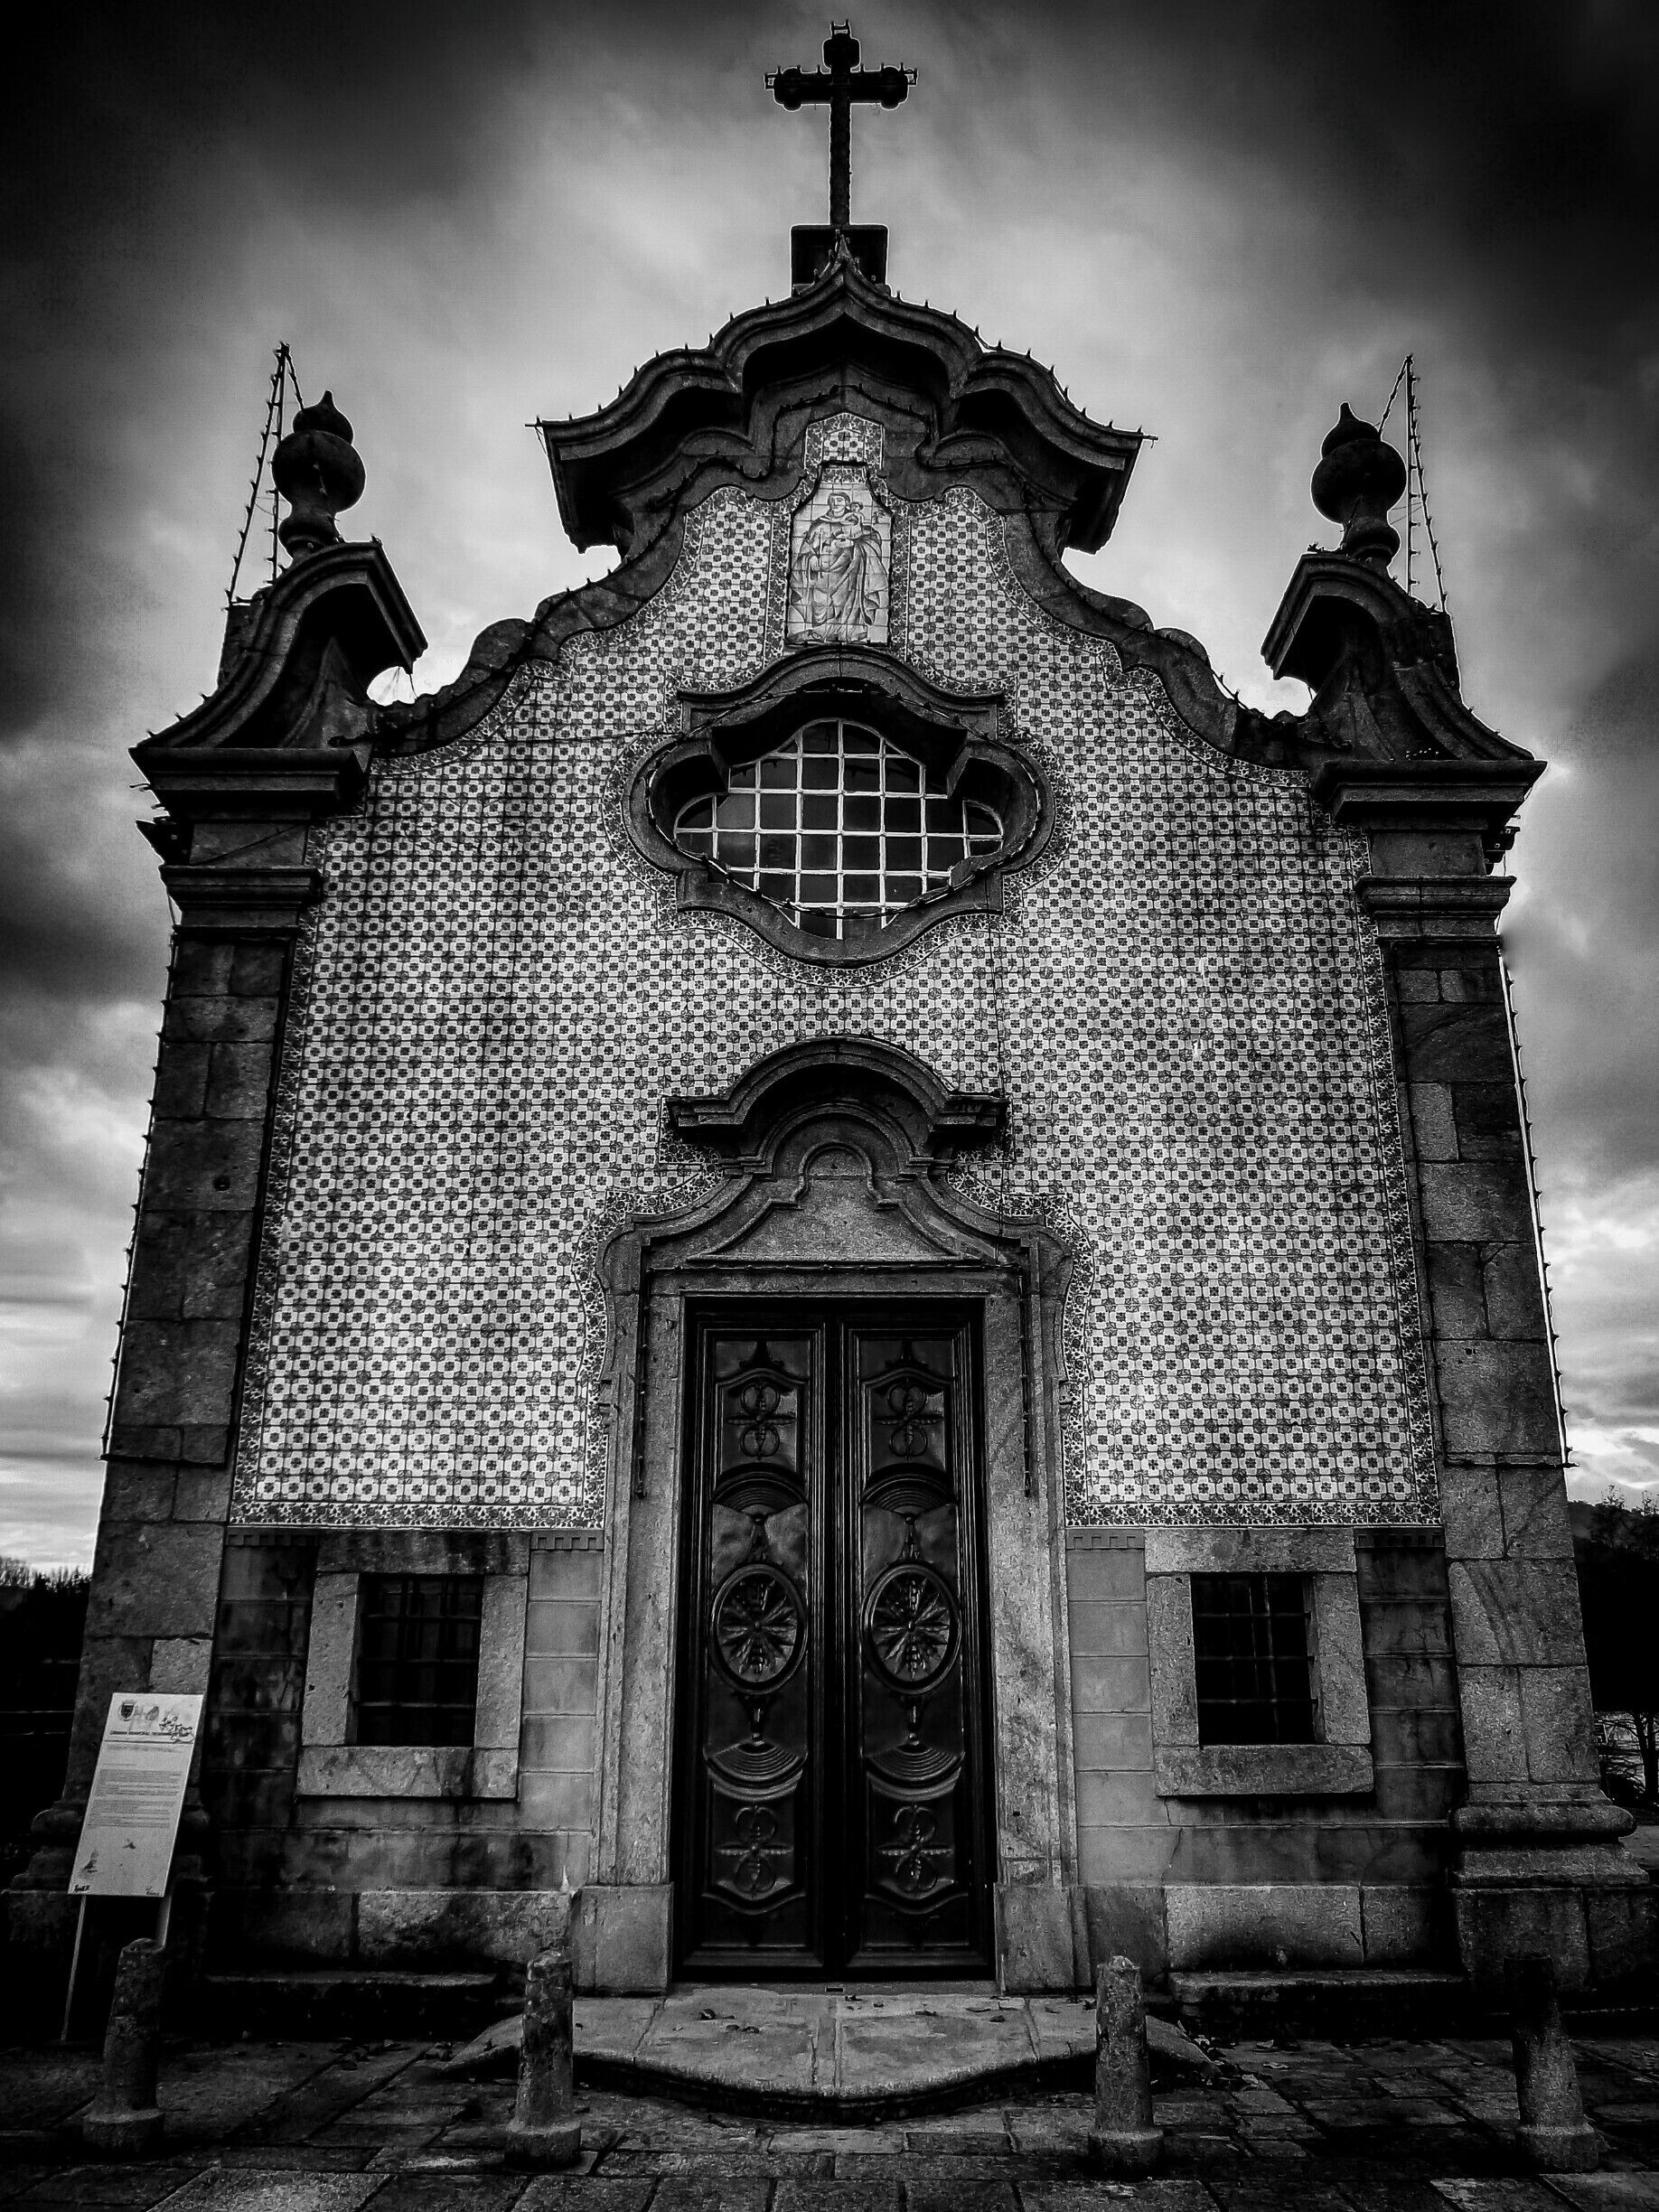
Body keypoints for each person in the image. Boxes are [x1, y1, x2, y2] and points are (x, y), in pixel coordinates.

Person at [789, 488, 888, 641]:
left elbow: (872, 540)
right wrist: (811, 557)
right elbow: (806, 546)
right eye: (832, 500)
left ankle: (849, 633)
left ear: (846, 503)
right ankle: (820, 633)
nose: (836, 504)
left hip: (850, 571)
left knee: (849, 600)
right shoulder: (819, 524)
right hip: (823, 573)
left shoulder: (855, 522)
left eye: (839, 500)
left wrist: (853, 544)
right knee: (821, 601)